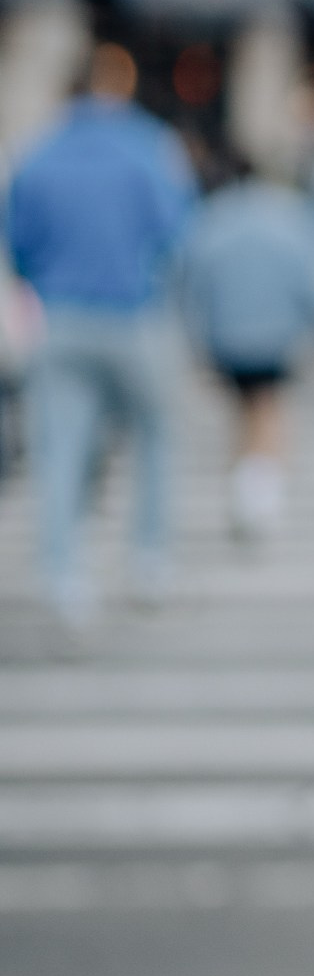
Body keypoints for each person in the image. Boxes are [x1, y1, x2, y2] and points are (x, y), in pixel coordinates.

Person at [5, 41, 195, 626]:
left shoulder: (37, 152)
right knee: (155, 436)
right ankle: (147, 561)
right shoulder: (149, 148)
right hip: (133, 314)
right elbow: (176, 232)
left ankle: (66, 581)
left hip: (61, 317)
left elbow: (17, 244)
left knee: (61, 451)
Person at [177, 163, 314, 536]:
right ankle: (262, 498)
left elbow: (193, 279)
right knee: (270, 410)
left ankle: (243, 488)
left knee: (242, 412)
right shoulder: (292, 218)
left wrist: (197, 338)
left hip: (227, 336)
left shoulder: (213, 217)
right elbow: (311, 281)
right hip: (277, 334)